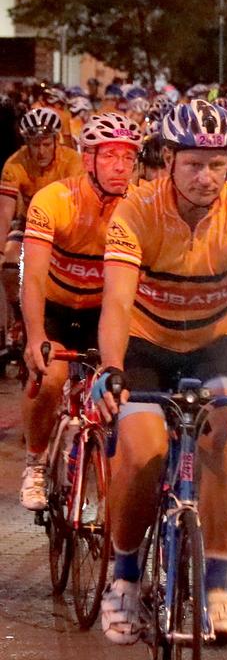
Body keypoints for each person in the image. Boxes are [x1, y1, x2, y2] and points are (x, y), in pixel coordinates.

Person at [93, 99, 227, 645]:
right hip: (147, 345)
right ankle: (126, 578)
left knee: (223, 439)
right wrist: (111, 368)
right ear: (168, 161)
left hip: (215, 343)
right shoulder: (135, 211)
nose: (206, 177)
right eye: (193, 165)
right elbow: (115, 304)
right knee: (143, 450)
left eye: (216, 164)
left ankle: (217, 588)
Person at [17, 113, 139, 511]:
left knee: (118, 394)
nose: (121, 166)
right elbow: (31, 278)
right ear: (87, 159)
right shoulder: (54, 200)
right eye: (110, 157)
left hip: (102, 315)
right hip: (54, 310)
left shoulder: (137, 207)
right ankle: (36, 461)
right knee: (51, 378)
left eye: (128, 157)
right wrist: (35, 338)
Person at [0, 108, 84, 335]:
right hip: (28, 223)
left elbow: (77, 207)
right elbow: (5, 212)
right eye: (35, 144)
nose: (41, 151)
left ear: (56, 140)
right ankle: (19, 317)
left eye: (46, 144)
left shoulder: (72, 160)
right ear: (26, 142)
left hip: (62, 226)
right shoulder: (15, 163)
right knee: (8, 264)